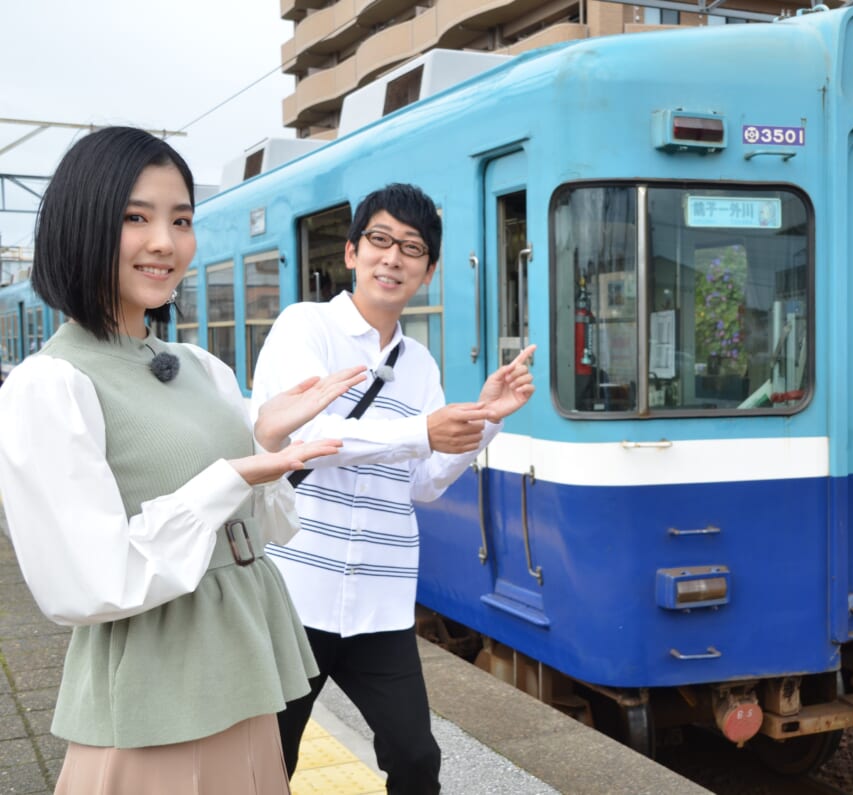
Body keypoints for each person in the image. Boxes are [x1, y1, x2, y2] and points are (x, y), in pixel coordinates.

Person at [0, 126, 367, 795]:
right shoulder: (49, 384)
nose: (165, 242)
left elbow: (268, 530)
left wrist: (267, 445)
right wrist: (230, 475)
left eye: (182, 219)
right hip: (155, 692)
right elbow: (83, 583)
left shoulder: (203, 367)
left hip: (245, 673)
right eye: (135, 217)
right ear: (81, 225)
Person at [249, 183, 535, 795]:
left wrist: (486, 420)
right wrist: (419, 430)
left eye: (412, 248)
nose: (393, 257)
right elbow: (302, 435)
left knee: (414, 758)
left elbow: (423, 482)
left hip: (379, 600)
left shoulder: (421, 367)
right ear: (351, 253)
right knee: (272, 761)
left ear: (428, 272)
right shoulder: (306, 327)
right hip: (298, 594)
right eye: (379, 240)